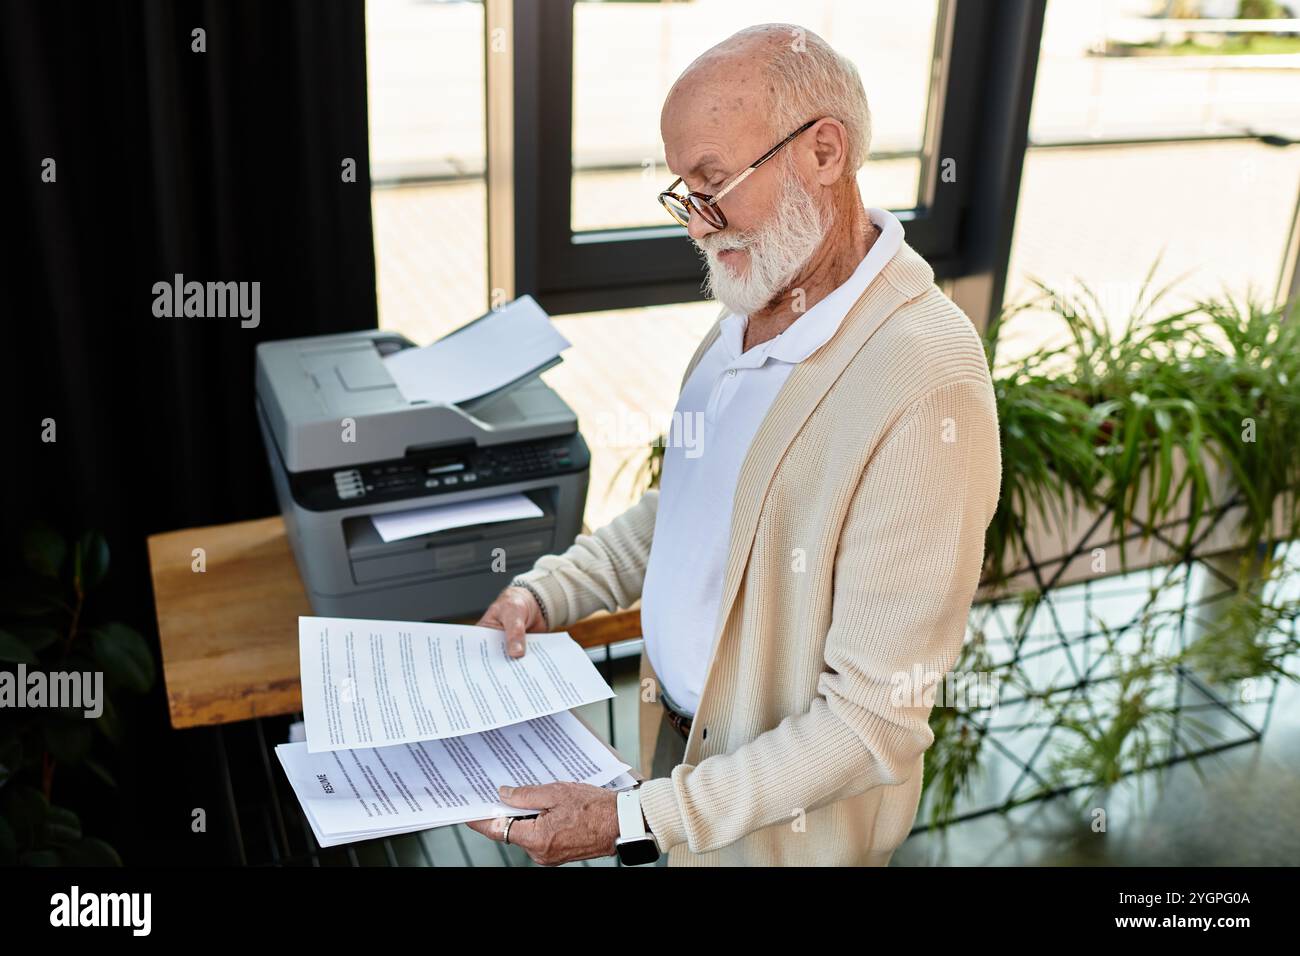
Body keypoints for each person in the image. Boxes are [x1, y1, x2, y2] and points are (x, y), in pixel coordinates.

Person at [466, 22, 1001, 866]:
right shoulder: (742, 321)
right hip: (676, 760)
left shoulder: (925, 382)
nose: (698, 223)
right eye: (683, 190)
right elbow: (685, 506)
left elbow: (871, 725)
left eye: (713, 181)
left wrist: (628, 820)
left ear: (825, 152)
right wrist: (546, 594)